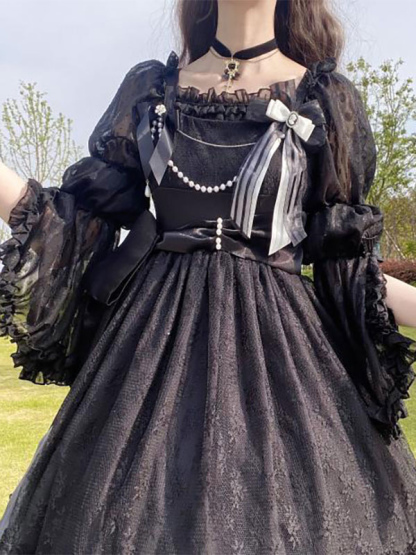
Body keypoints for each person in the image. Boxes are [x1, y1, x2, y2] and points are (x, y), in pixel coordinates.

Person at [1, 0, 416, 553]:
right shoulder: (152, 91)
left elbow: (345, 264)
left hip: (285, 362)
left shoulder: (324, 100)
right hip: (146, 358)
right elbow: (81, 221)